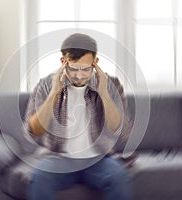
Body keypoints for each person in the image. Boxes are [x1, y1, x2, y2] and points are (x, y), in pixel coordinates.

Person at [24, 33, 133, 200]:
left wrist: (104, 93)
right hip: (59, 158)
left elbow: (121, 130)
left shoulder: (112, 85)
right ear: (63, 62)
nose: (79, 75)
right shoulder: (45, 85)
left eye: (86, 69)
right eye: (73, 68)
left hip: (99, 159)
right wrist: (54, 92)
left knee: (119, 177)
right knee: (40, 178)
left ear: (95, 63)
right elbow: (34, 131)